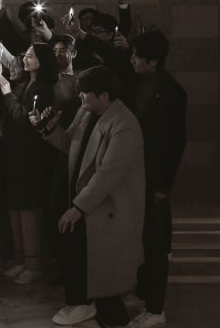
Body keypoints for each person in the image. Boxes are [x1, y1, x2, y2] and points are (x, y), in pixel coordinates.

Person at [31, 66, 145, 328]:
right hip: (85, 200)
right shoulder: (86, 112)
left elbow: (108, 174)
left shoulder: (124, 124)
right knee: (76, 256)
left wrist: (79, 207)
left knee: (105, 271)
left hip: (107, 206)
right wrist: (48, 128)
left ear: (104, 95)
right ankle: (81, 303)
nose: (80, 97)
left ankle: (105, 314)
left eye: (85, 93)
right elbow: (70, 145)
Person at [126, 31, 187, 328]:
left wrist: (164, 186)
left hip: (153, 175)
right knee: (139, 237)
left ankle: (155, 308)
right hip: (132, 171)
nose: (132, 60)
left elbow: (176, 142)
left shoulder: (173, 92)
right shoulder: (133, 82)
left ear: (153, 61)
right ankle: (143, 290)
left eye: (137, 56)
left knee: (154, 242)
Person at [0, 42, 58, 284]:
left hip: (30, 156)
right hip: (13, 154)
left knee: (28, 207)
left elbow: (22, 119)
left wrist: (7, 93)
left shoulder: (44, 89)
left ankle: (34, 263)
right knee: (14, 205)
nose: (25, 59)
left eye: (31, 56)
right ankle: (20, 259)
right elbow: (3, 109)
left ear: (42, 61)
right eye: (26, 55)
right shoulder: (24, 84)